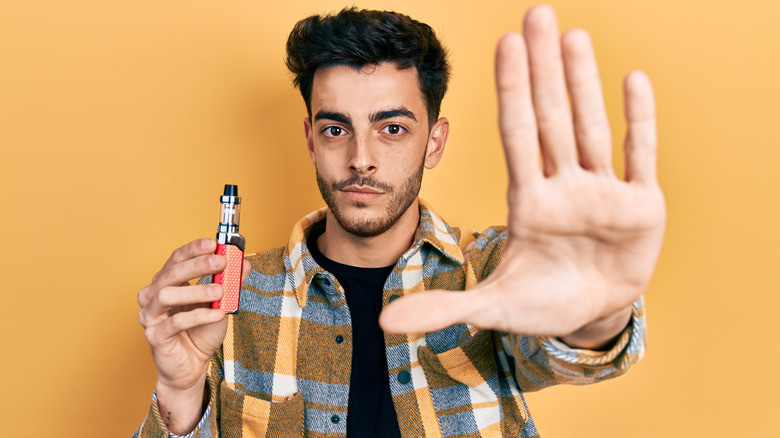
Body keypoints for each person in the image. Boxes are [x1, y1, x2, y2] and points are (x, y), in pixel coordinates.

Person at [134, 4, 665, 437]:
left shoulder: (498, 270)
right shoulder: (231, 300)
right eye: (336, 130)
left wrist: (597, 320)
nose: (360, 158)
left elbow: (565, 351)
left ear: (434, 142)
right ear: (310, 141)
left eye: (391, 129)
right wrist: (179, 392)